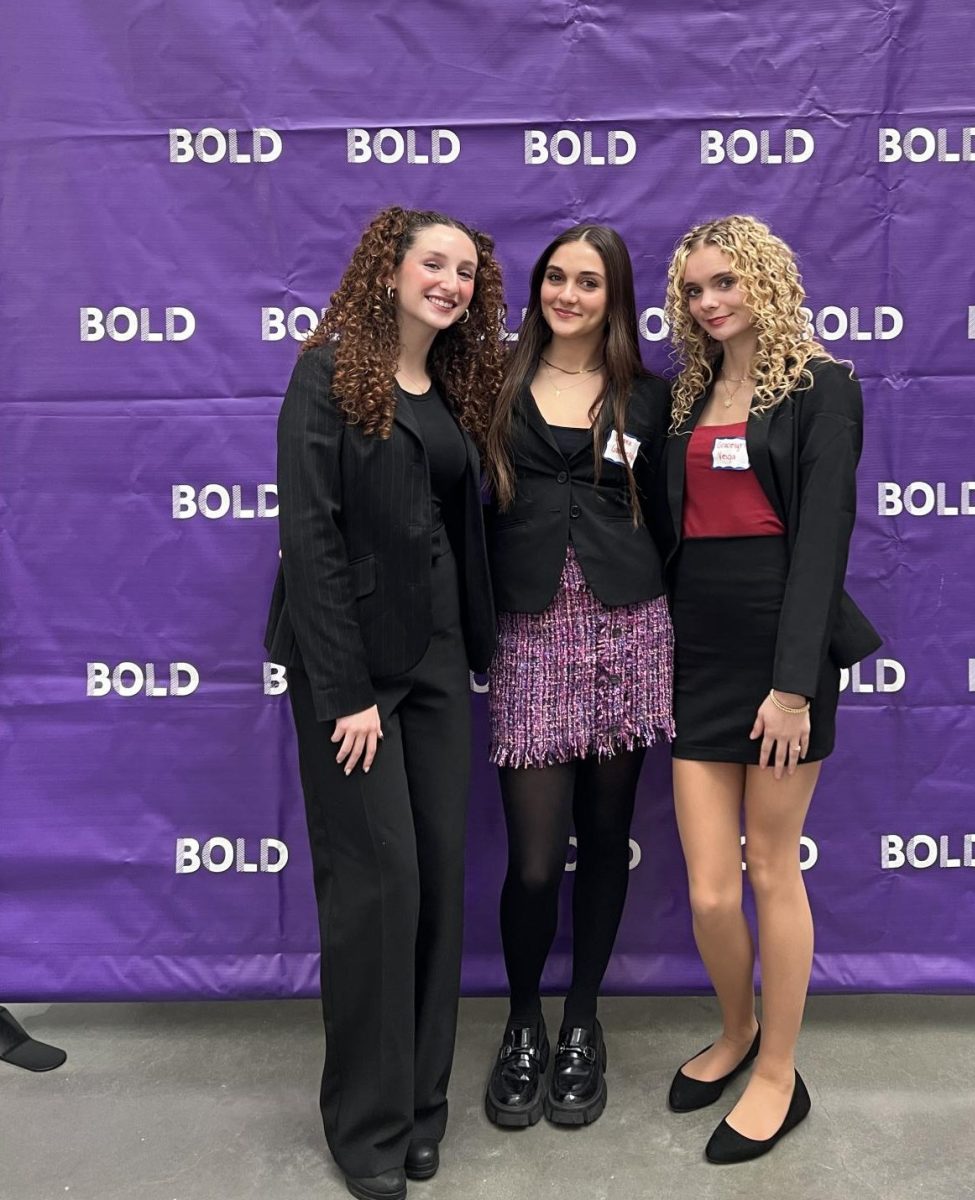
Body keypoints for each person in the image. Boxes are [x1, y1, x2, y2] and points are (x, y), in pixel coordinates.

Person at [264, 206, 505, 1200]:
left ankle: (418, 1112)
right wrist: (346, 690)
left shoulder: (449, 383)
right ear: (388, 268)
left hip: (442, 668)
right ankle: (363, 1130)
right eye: (433, 264)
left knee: (437, 887)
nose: (449, 281)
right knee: (379, 893)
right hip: (355, 680)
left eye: (465, 270)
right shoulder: (325, 371)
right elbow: (312, 541)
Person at [658, 215, 880, 1165]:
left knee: (769, 872)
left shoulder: (823, 387)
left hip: (780, 659)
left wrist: (793, 687)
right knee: (710, 894)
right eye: (696, 289)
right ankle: (735, 1028)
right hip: (695, 652)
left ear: (766, 282)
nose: (711, 303)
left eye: (727, 283)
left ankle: (778, 1071)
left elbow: (822, 537)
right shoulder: (687, 394)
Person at [480, 223, 673, 1129]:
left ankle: (583, 1022)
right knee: (530, 862)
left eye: (588, 282)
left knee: (604, 840)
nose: (568, 294)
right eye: (555, 277)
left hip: (627, 633)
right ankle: (522, 1020)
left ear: (614, 297)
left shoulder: (652, 399)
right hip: (528, 634)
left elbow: (671, 521)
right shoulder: (492, 386)